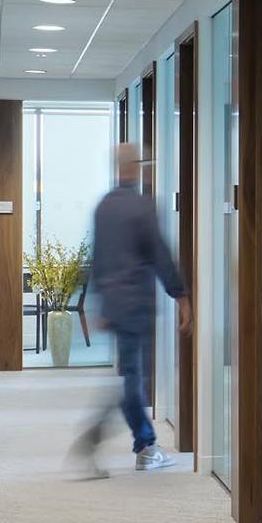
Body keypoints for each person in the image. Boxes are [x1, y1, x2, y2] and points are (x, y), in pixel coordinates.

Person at [71, 142, 185, 475]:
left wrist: (97, 305)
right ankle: (135, 445)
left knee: (129, 377)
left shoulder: (104, 207)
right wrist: (181, 295)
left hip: (114, 304)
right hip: (136, 304)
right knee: (132, 380)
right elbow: (160, 255)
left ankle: (143, 444)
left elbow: (96, 260)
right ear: (132, 167)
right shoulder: (141, 207)